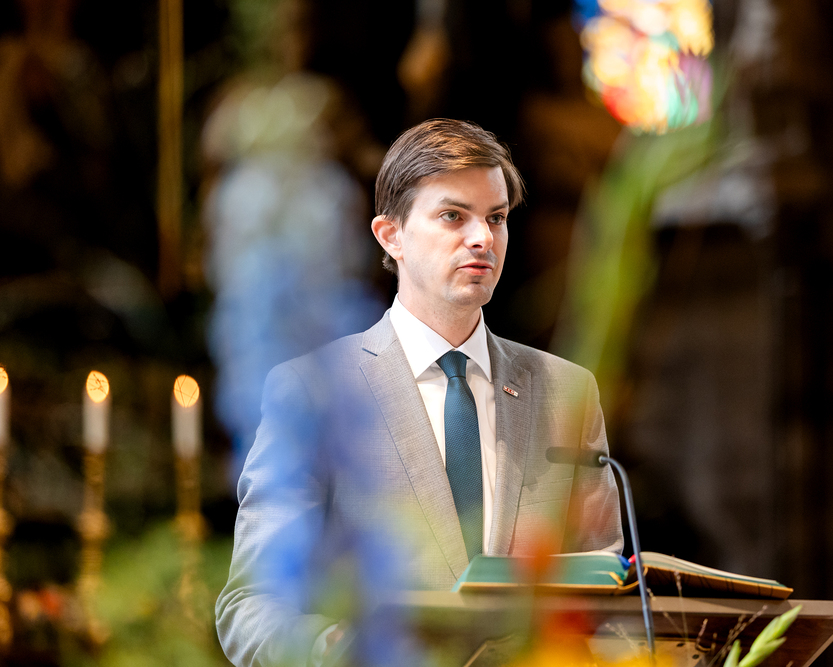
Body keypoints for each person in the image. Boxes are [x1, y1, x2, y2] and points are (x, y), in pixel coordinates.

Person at [216, 118, 623, 667]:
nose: (482, 238)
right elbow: (249, 604)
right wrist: (333, 650)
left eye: (496, 218)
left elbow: (606, 594)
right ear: (391, 236)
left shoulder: (566, 392)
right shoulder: (312, 389)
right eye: (454, 215)